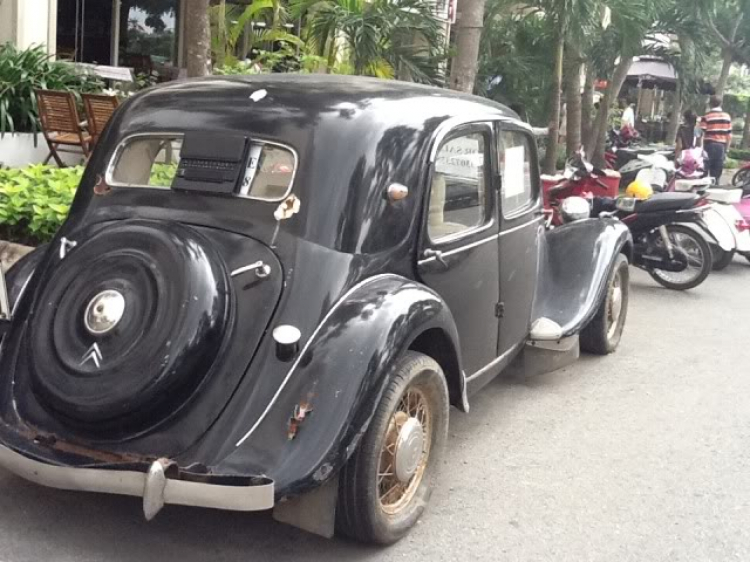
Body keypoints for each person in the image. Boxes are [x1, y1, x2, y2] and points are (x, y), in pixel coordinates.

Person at [701, 95, 733, 181]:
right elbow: (729, 135)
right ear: (721, 104)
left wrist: (700, 148)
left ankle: (701, 189)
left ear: (710, 104)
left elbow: (701, 134)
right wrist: (727, 150)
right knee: (716, 172)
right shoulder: (727, 117)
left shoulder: (706, 117)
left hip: (708, 145)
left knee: (703, 169)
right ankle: (714, 187)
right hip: (721, 146)